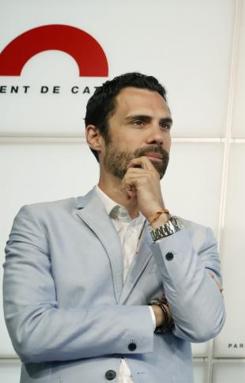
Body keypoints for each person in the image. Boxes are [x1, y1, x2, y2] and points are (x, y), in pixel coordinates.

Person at [3, 72, 225, 382]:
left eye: (165, 125)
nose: (157, 136)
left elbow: (202, 325)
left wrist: (159, 219)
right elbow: (32, 333)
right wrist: (156, 315)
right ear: (95, 136)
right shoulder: (41, 223)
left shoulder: (194, 238)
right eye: (139, 122)